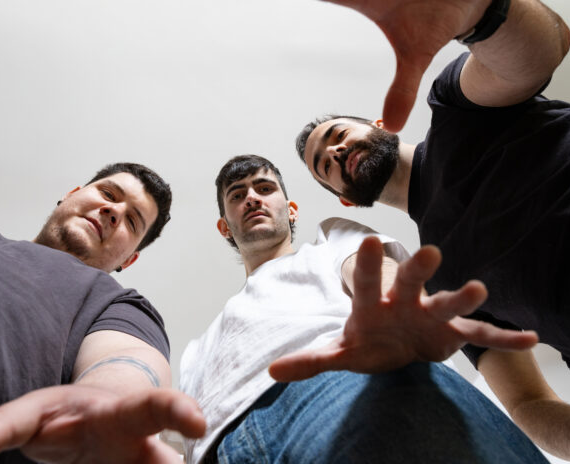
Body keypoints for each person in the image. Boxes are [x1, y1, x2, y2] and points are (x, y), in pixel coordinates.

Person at [295, 0, 570, 461]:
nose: (335, 153)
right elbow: (526, 402)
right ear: (346, 200)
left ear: (377, 125)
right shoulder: (442, 288)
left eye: (338, 135)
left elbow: (542, 51)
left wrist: (479, 13)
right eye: (324, 166)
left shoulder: (457, 108)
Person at [179, 154, 547, 464]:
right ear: (224, 228)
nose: (252, 198)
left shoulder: (329, 240)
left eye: (264, 188)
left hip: (344, 384)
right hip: (219, 449)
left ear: (291, 211)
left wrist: (398, 321)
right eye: (238, 195)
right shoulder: (196, 349)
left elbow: (380, 281)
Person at [0, 162, 205, 463]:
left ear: (129, 260)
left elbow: (129, 357)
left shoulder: (115, 303)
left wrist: (105, 401)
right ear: (70, 194)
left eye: (132, 221)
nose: (114, 211)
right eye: (109, 194)